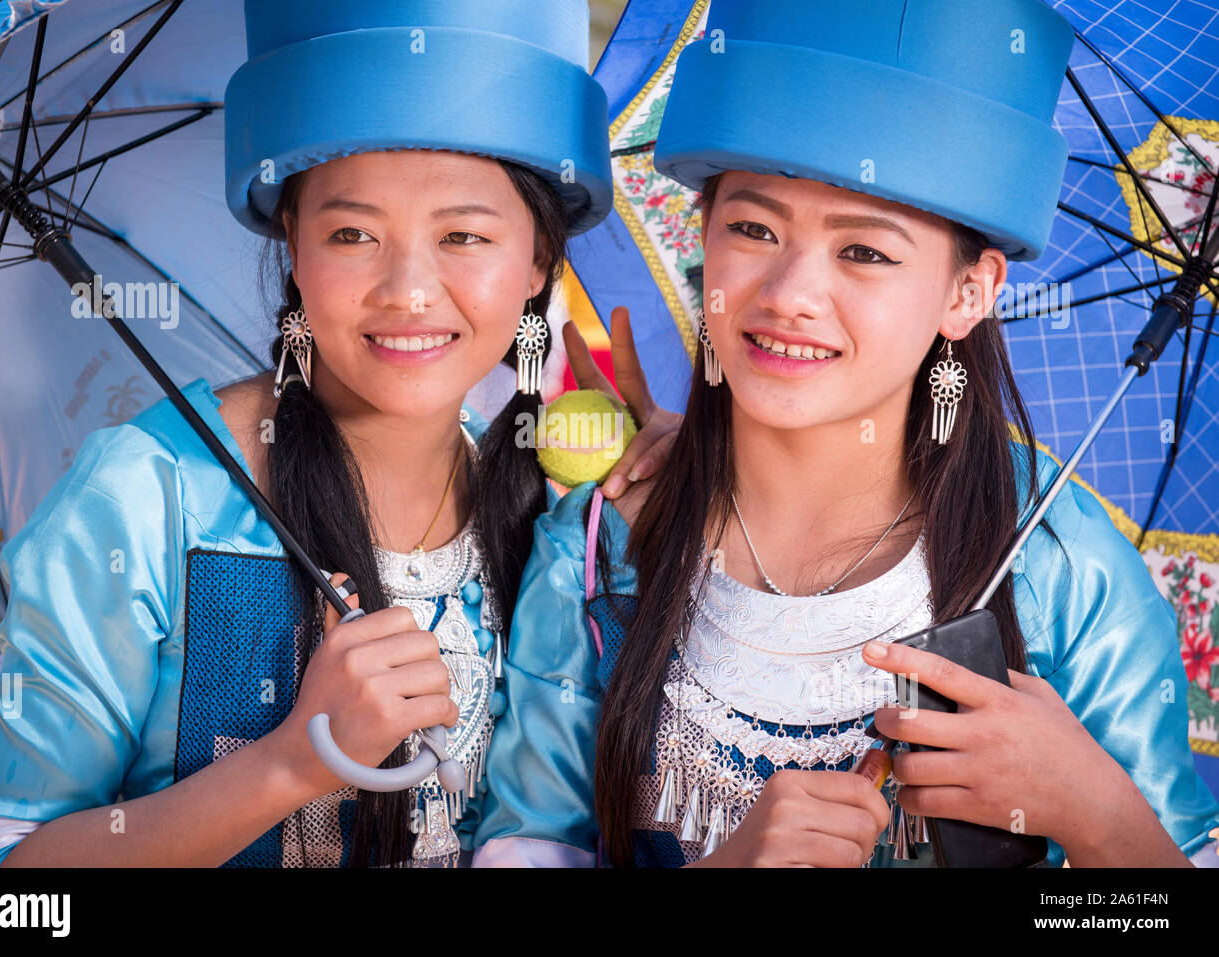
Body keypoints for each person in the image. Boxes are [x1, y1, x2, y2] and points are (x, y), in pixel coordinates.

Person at [473, 0, 1219, 867]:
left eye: (864, 251)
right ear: (702, 235)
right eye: (753, 228)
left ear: (967, 293)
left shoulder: (1063, 570)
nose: (790, 291)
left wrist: (1099, 816)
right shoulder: (597, 554)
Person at [0, 0, 671, 868]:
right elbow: (0, 894)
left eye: (465, 235)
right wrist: (292, 760)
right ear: (291, 238)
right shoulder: (146, 498)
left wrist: (682, 514)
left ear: (539, 260)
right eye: (353, 232)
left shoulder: (559, 523)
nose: (408, 289)